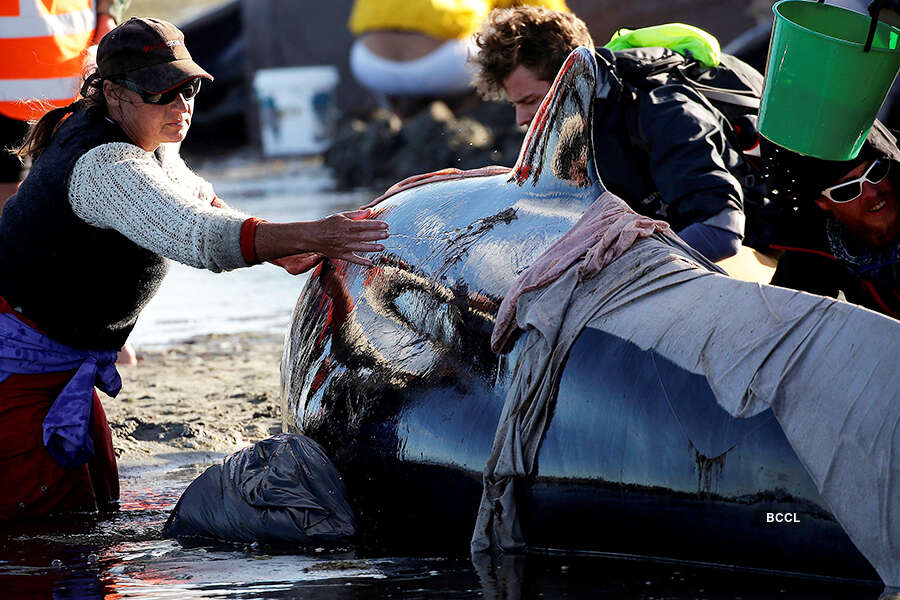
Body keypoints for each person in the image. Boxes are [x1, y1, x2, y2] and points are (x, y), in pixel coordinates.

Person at [0, 17, 390, 520]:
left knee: (95, 507)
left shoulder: (150, 139)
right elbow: (195, 235)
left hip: (64, 355)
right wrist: (317, 233)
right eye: (163, 93)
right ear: (114, 94)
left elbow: (196, 196)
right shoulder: (104, 164)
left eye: (188, 90)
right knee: (38, 529)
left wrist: (278, 244)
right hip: (19, 363)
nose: (181, 106)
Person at [470, 7, 753, 261]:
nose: (521, 119)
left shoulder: (664, 112)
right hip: (677, 244)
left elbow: (720, 231)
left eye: (530, 100)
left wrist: (620, 273)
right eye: (514, 104)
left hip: (769, 248)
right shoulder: (577, 127)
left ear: (575, 77)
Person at [0, 0, 130, 213]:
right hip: (9, 84)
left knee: (71, 199)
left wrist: (108, 15)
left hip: (76, 79)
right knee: (12, 207)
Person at [762, 122, 900, 320]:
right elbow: (783, 323)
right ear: (822, 202)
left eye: (876, 171)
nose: (871, 192)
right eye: (847, 190)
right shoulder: (810, 249)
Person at [347, 0, 569, 116]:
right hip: (445, 66)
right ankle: (470, 108)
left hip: (370, 65)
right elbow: (551, 15)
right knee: (511, 31)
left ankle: (399, 109)